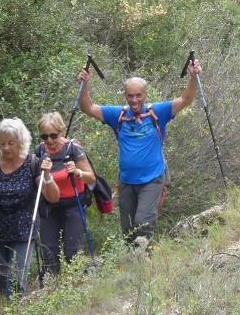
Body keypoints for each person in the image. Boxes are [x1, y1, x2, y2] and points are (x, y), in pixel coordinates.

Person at [77, 59, 202, 248]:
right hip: (127, 182)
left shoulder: (158, 112)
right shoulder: (117, 115)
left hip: (152, 180)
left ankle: (144, 261)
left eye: (138, 96)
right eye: (130, 96)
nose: (134, 100)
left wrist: (193, 77)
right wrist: (84, 83)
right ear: (125, 96)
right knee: (128, 231)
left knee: (142, 224)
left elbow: (186, 99)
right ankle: (136, 266)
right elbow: (88, 108)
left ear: (145, 94)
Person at [0, 118, 57, 299]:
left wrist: (48, 176)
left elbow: (53, 197)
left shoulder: (32, 164)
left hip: (23, 228)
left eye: (11, 143)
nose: (6, 148)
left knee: (15, 279)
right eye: (2, 143)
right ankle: (13, 307)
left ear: (20, 142)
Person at [35, 111, 96, 280]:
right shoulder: (39, 151)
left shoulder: (73, 148)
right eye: (45, 136)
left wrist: (77, 172)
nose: (49, 140)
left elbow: (91, 178)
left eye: (53, 135)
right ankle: (52, 288)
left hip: (73, 204)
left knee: (72, 251)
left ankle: (83, 283)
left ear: (62, 132)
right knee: (48, 251)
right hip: (49, 206)